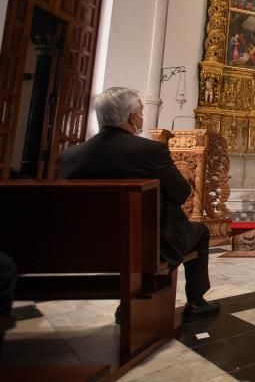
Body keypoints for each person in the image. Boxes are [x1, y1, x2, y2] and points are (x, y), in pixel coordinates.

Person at [59, 87, 219, 323]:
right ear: (133, 117)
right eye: (141, 112)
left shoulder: (71, 155)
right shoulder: (149, 151)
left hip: (88, 246)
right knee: (201, 232)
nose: (142, 117)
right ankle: (196, 301)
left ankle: (130, 301)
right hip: (150, 245)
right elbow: (181, 192)